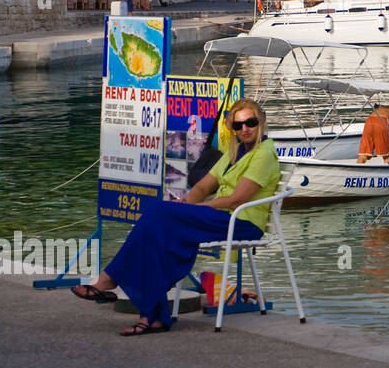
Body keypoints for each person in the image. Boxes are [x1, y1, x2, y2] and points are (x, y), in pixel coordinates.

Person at [70, 99, 281, 335]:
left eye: (250, 122)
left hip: (242, 223)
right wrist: (187, 204)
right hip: (220, 218)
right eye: (238, 125)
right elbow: (202, 187)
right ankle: (152, 316)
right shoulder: (235, 152)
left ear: (261, 120)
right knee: (157, 233)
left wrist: (198, 208)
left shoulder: (264, 154)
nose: (244, 129)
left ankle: (111, 281)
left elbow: (237, 200)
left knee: (158, 213)